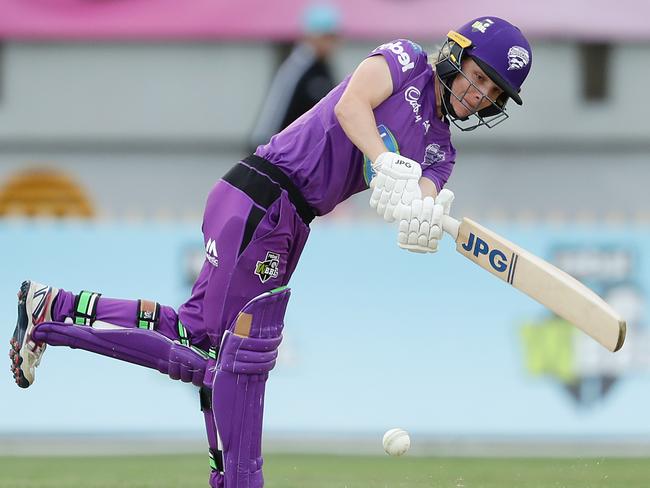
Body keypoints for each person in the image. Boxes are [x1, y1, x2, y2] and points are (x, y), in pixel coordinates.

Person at [9, 16, 532, 488]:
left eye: (493, 91)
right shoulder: (406, 59)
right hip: (262, 192)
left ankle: (53, 307)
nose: (479, 94)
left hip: (291, 219)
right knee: (225, 358)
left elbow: (421, 193)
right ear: (454, 55)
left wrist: (423, 216)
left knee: (208, 341)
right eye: (478, 76)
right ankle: (54, 322)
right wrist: (384, 159)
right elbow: (352, 104)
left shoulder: (442, 151)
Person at [248, 3, 340, 151]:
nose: (331, 44)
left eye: (333, 38)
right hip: (283, 154)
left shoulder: (324, 67)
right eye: (326, 37)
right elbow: (275, 111)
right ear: (310, 37)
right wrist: (262, 149)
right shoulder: (298, 66)